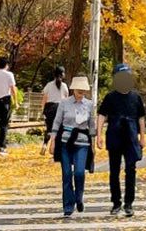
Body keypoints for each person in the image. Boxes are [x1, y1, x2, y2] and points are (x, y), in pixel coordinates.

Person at [97, 63, 146, 218]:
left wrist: (142, 137)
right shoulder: (110, 97)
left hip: (131, 137)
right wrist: (98, 135)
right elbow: (101, 115)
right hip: (114, 134)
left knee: (131, 170)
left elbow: (141, 117)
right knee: (114, 171)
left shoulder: (135, 97)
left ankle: (129, 203)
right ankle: (116, 202)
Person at [50, 75, 95, 218]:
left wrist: (93, 143)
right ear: (74, 89)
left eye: (84, 89)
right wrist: (53, 140)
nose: (82, 91)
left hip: (82, 142)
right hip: (65, 141)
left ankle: (79, 197)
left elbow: (92, 125)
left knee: (79, 173)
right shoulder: (64, 103)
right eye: (79, 89)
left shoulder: (89, 104)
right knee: (67, 174)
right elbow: (57, 122)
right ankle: (68, 206)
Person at [40, 66, 69, 156]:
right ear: (62, 74)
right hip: (60, 107)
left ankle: (45, 144)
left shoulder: (49, 85)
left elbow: (45, 98)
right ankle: (54, 148)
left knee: (49, 129)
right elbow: (67, 99)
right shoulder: (64, 86)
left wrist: (42, 109)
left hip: (49, 108)